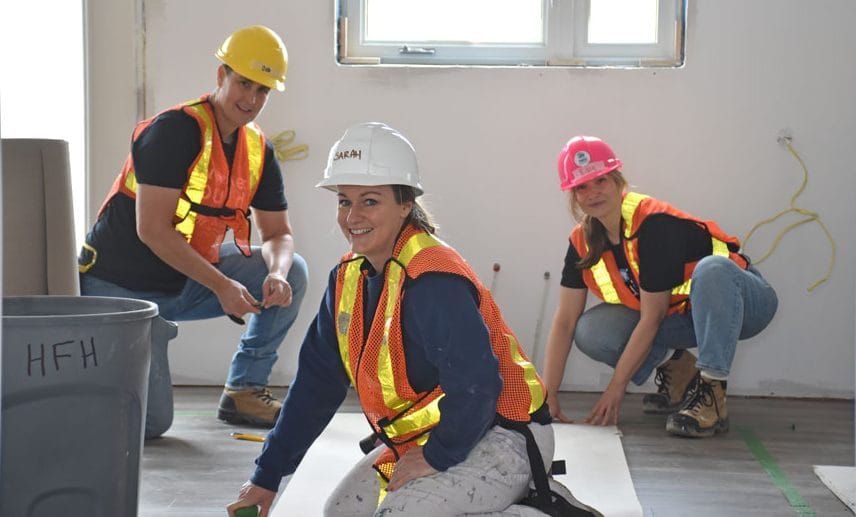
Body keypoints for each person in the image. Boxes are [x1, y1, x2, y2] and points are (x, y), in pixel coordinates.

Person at [226, 123, 582, 517]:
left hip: (502, 431)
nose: (352, 216)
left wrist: (436, 457)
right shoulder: (347, 279)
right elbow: (316, 384)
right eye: (344, 201)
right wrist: (267, 476)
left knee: (401, 513)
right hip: (430, 434)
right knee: (341, 513)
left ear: (405, 204)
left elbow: (478, 387)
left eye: (370, 201)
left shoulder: (432, 280)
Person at [78, 25, 308, 438]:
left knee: (295, 270)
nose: (251, 100)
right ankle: (95, 380)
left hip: (181, 280)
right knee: (149, 424)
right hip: (119, 288)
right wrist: (221, 285)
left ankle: (245, 390)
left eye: (263, 91)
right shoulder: (173, 131)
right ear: (221, 76)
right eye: (244, 84)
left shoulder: (258, 149)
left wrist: (275, 273)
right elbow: (151, 229)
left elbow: (278, 234)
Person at [541, 136, 778, 438]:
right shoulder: (582, 242)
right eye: (582, 187)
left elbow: (651, 318)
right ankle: (680, 371)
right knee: (591, 331)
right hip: (682, 318)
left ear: (617, 180)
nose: (593, 193)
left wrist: (616, 389)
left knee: (712, 269)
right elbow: (565, 322)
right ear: (574, 197)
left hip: (744, 306)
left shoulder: (652, 224)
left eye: (600, 180)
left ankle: (712, 394)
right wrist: (548, 395)